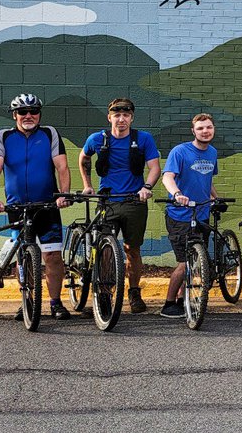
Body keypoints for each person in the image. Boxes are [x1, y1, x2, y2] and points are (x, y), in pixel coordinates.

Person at [0, 93, 73, 320]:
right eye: (23, 112)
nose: (28, 115)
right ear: (15, 115)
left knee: (52, 256)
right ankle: (28, 300)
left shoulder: (49, 134)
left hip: (47, 206)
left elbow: (62, 167)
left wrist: (63, 195)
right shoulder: (3, 137)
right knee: (23, 255)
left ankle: (55, 302)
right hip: (17, 207)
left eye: (33, 111)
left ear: (39, 114)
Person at [78, 98, 161, 314]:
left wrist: (147, 186)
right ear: (110, 117)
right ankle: (105, 293)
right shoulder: (98, 139)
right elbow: (83, 158)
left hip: (134, 201)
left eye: (126, 115)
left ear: (131, 117)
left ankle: (134, 292)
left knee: (132, 249)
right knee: (105, 250)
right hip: (108, 202)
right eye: (117, 115)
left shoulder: (143, 139)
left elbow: (154, 167)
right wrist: (87, 186)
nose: (121, 119)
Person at [159, 113, 219, 320]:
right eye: (201, 128)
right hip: (180, 215)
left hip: (202, 213)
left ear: (213, 129)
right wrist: (177, 194)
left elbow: (207, 179)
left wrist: (215, 198)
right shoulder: (180, 151)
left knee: (197, 259)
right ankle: (168, 304)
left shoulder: (212, 152)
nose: (205, 131)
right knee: (184, 262)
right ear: (193, 131)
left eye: (209, 127)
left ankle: (181, 297)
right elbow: (167, 177)